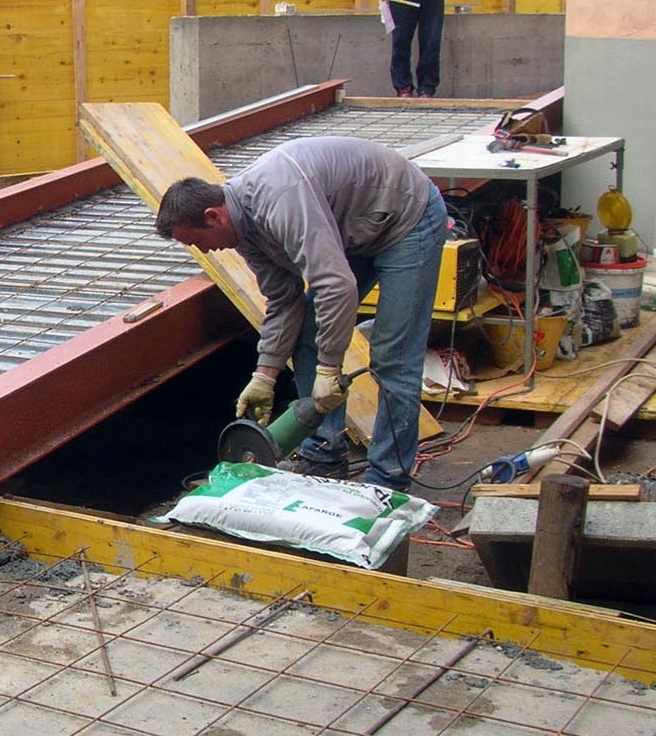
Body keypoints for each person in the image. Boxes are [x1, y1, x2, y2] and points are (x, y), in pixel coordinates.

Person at [154, 137, 447, 491]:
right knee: (307, 335)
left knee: (393, 357)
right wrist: (265, 374)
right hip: (355, 228)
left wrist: (329, 369)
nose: (204, 250)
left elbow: (335, 285)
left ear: (212, 216)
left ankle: (387, 479)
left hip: (405, 217)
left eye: (197, 241)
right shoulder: (245, 234)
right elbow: (283, 301)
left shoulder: (279, 200)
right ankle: (324, 453)